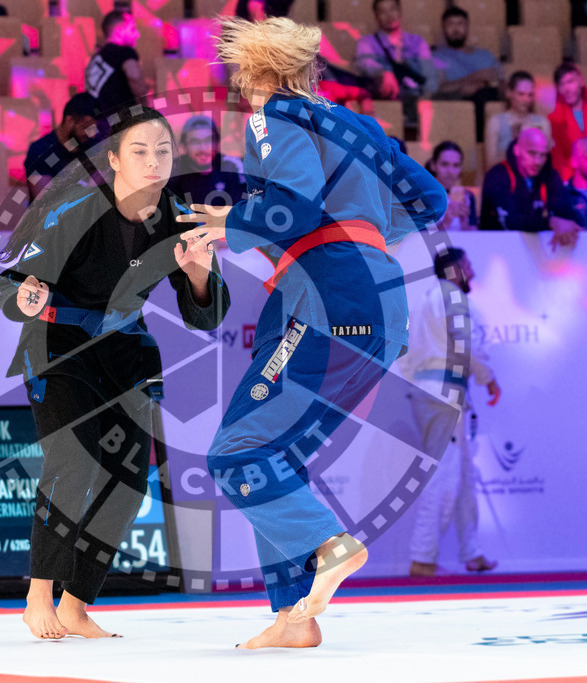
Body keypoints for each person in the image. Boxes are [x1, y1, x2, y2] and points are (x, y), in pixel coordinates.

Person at [178, 16, 447, 649]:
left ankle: (329, 545)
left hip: (322, 296)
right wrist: (367, 239)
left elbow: (293, 206)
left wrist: (230, 225)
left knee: (237, 452)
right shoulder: (357, 124)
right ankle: (292, 618)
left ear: (254, 71)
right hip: (380, 302)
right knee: (277, 456)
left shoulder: (272, 115)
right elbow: (430, 199)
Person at [0, 106, 230, 641]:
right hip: (58, 348)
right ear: (113, 159)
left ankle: (77, 605)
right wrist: (27, 296)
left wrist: (199, 276)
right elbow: (13, 285)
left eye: (164, 151)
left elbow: (208, 316)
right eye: (140, 151)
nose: (154, 162)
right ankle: (38, 596)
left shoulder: (180, 217)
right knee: (72, 463)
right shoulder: (70, 207)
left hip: (126, 351)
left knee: (126, 481)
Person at [401, 247, 499, 578]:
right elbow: (465, 346)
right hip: (444, 394)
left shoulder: (426, 300)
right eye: (468, 266)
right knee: (444, 477)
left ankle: (471, 551)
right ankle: (422, 557)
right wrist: (488, 378)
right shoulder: (453, 298)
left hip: (431, 391)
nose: (472, 272)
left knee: (463, 474)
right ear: (454, 269)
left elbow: (407, 356)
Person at [431, 6, 502, 141]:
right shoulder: (436, 57)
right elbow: (435, 90)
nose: (456, 29)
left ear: (467, 27)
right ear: (443, 28)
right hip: (455, 109)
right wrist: (471, 81)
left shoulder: (485, 56)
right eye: (451, 24)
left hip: (488, 103)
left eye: (460, 24)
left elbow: (501, 85)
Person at [354, 0, 437, 111]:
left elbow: (430, 77)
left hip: (416, 105)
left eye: (392, 9)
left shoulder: (417, 42)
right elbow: (365, 64)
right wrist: (383, 72)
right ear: (376, 16)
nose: (389, 15)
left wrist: (424, 102)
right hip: (382, 106)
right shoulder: (367, 42)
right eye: (383, 11)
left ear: (400, 11)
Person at [480, 127, 562, 232]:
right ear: (517, 150)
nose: (538, 161)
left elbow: (566, 215)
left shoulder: (550, 176)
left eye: (543, 155)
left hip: (543, 246)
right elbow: (511, 221)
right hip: (497, 245)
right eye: (532, 153)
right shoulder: (497, 176)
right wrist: (550, 222)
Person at [24, 92, 98, 200]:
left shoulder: (90, 146)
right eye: (86, 127)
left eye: (94, 128)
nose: (92, 134)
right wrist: (90, 189)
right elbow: (45, 201)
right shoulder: (40, 151)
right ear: (69, 121)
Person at [167, 114, 247, 208]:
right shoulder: (173, 169)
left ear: (217, 143)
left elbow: (241, 209)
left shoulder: (232, 165)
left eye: (208, 140)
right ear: (184, 145)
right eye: (195, 141)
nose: (203, 148)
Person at [84, 10, 148, 118]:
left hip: (100, 124)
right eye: (132, 29)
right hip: (122, 123)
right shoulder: (125, 52)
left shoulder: (95, 59)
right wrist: (146, 106)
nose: (137, 34)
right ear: (119, 31)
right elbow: (135, 77)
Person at [484, 71, 552, 171]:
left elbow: (546, 162)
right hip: (505, 178)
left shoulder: (542, 123)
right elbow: (490, 164)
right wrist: (517, 144)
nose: (526, 99)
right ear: (509, 93)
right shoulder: (496, 122)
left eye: (530, 95)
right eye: (521, 94)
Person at [427, 141, 477, 231]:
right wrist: (446, 222)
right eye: (444, 164)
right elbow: (417, 237)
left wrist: (464, 222)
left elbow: (476, 235)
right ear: (433, 165)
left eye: (456, 165)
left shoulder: (468, 196)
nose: (450, 171)